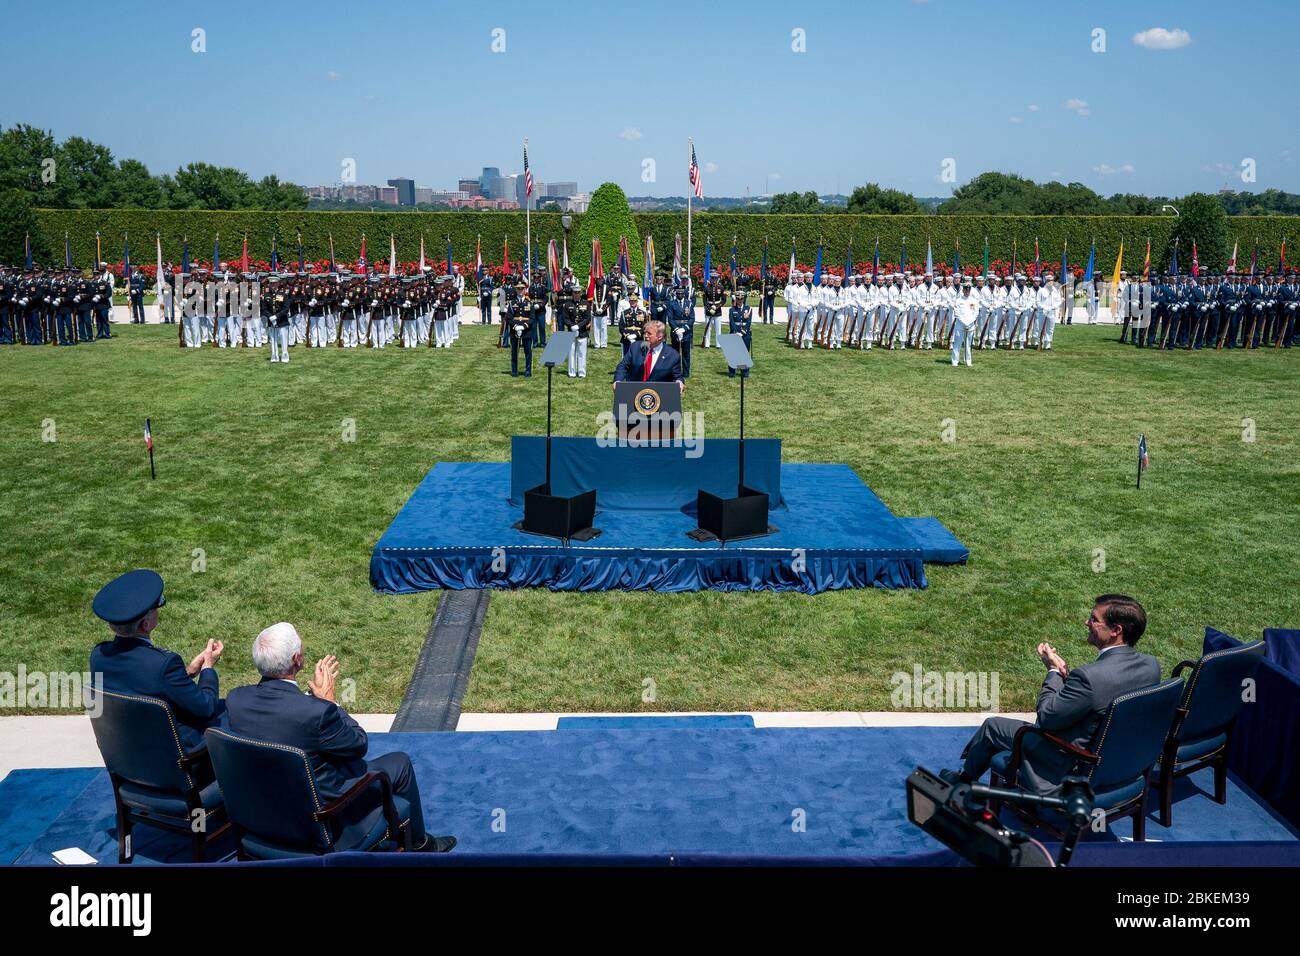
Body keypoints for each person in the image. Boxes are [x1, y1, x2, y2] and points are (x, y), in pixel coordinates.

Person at [225, 622, 455, 853]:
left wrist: (311, 702)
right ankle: (420, 845)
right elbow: (357, 744)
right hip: (320, 816)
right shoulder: (317, 712)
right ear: (297, 659)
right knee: (400, 763)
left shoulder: (235, 700)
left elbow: (279, 721)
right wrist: (330, 702)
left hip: (260, 815)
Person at [945, 595, 1161, 796]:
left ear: (1116, 630)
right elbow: (1100, 697)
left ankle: (962, 781)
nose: (1087, 623)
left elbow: (1047, 717)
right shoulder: (1151, 666)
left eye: (1094, 619)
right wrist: (1069, 681)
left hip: (1069, 760)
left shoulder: (1090, 677)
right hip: (1121, 762)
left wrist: (1053, 672)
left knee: (993, 727)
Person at [89, 569, 225, 753]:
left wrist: (189, 672)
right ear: (146, 624)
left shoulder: (99, 656)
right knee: (230, 710)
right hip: (172, 758)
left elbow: (143, 685)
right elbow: (206, 707)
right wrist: (208, 668)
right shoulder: (163, 664)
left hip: (128, 754)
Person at [612, 318, 684, 391]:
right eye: (645, 333)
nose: (645, 336)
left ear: (660, 336)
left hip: (659, 395)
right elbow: (623, 366)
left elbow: (677, 376)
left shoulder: (673, 355)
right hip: (634, 392)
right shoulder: (635, 347)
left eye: (649, 333)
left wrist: (679, 382)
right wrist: (618, 381)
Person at [950, 278, 979, 366]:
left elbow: (976, 313)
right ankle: (955, 361)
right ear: (963, 290)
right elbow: (957, 313)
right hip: (960, 324)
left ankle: (968, 361)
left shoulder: (974, 301)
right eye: (965, 289)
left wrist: (970, 322)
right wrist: (963, 322)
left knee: (968, 344)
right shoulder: (958, 301)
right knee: (957, 343)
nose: (967, 291)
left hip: (970, 325)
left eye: (969, 289)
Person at [727, 284, 752, 377]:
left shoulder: (748, 309)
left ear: (744, 299)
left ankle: (744, 371)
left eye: (741, 299)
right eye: (738, 299)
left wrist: (743, 332)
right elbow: (732, 322)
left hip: (745, 334)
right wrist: (736, 332)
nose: (740, 301)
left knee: (744, 352)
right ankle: (732, 371)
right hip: (735, 332)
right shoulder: (732, 309)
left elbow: (748, 322)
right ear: (736, 299)